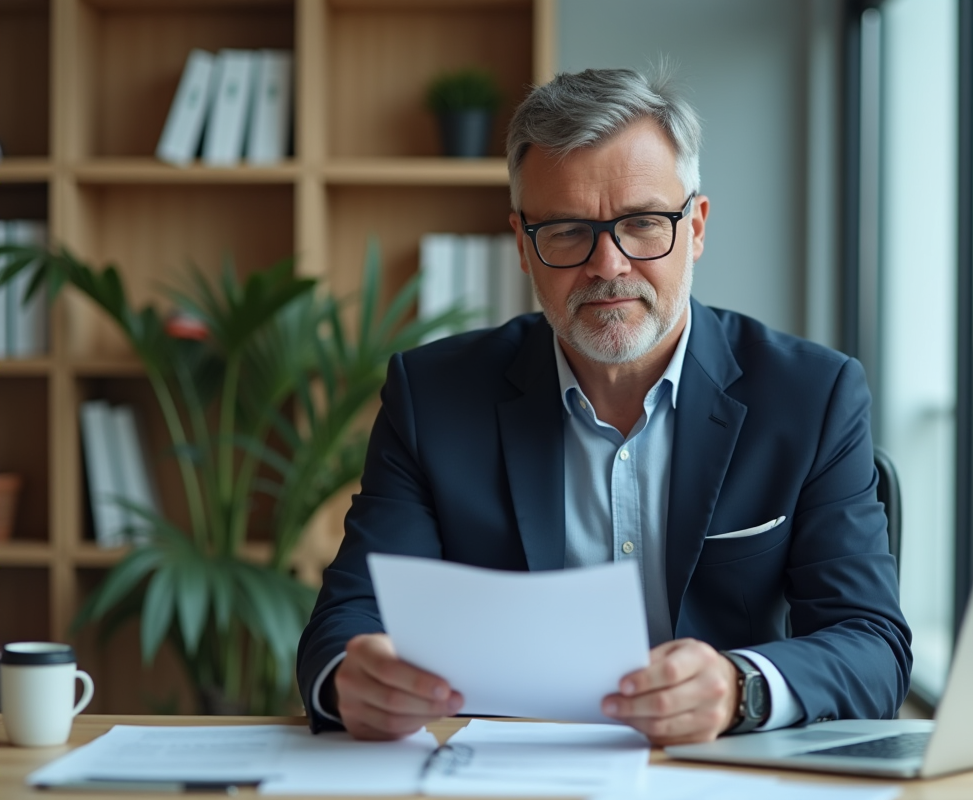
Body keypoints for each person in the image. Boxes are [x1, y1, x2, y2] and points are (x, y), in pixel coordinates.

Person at [296, 66, 911, 746]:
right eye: (566, 230)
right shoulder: (433, 397)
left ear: (696, 227)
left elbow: (871, 645)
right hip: (508, 772)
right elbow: (348, 619)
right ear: (523, 245)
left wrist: (742, 687)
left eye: (643, 224)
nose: (608, 265)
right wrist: (352, 678)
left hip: (722, 768)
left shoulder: (811, 396)